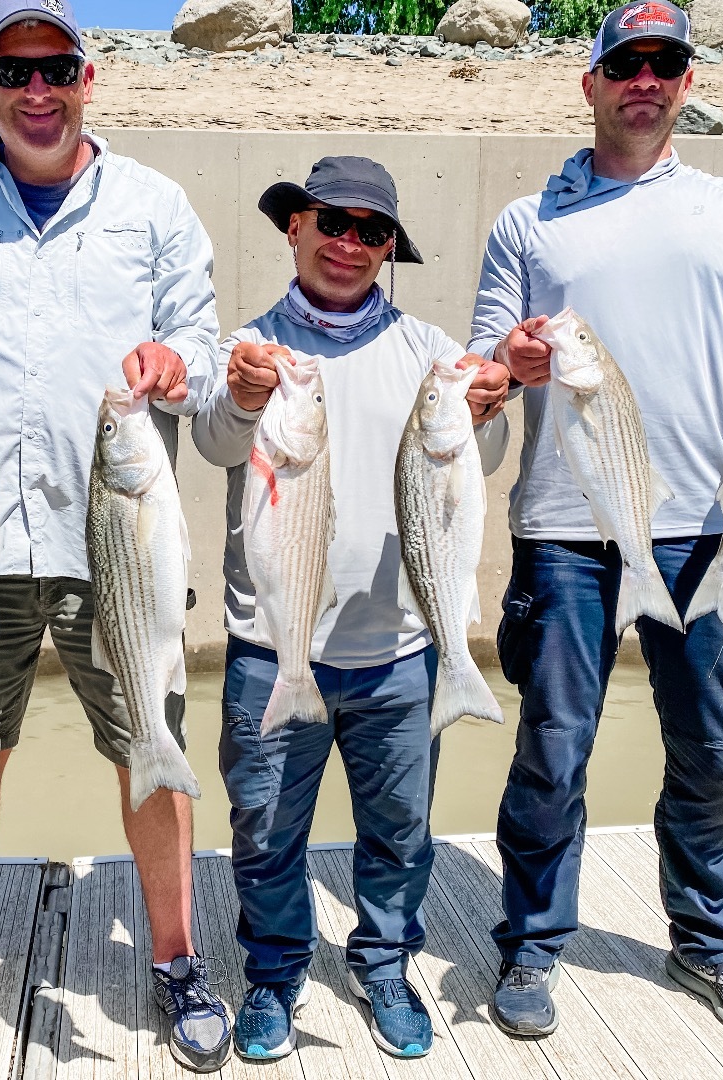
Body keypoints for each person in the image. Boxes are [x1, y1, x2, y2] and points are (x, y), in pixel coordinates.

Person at [468, 0, 723, 1045]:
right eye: (626, 63)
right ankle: (532, 940)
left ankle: (709, 941)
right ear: (593, 83)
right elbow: (485, 359)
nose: (644, 80)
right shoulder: (530, 220)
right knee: (553, 749)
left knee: (713, 746)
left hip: (707, 529)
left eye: (664, 63)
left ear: (688, 82)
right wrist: (505, 365)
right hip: (566, 532)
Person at [0, 0, 231, 1072]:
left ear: (88, 77)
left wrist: (178, 363)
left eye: (57, 67)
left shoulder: (155, 203)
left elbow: (200, 338)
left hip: (115, 540)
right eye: (14, 69)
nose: (38, 90)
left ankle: (175, 960)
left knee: (151, 755)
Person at [191, 156, 510, 1062]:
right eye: (332, 221)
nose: (349, 243)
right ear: (294, 227)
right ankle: (276, 973)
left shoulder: (431, 352)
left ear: (389, 251)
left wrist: (489, 409)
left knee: (400, 832)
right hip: (272, 646)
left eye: (372, 231)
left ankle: (383, 965)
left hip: (402, 652)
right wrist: (247, 393)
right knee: (262, 828)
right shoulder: (248, 346)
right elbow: (216, 438)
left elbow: (478, 466)